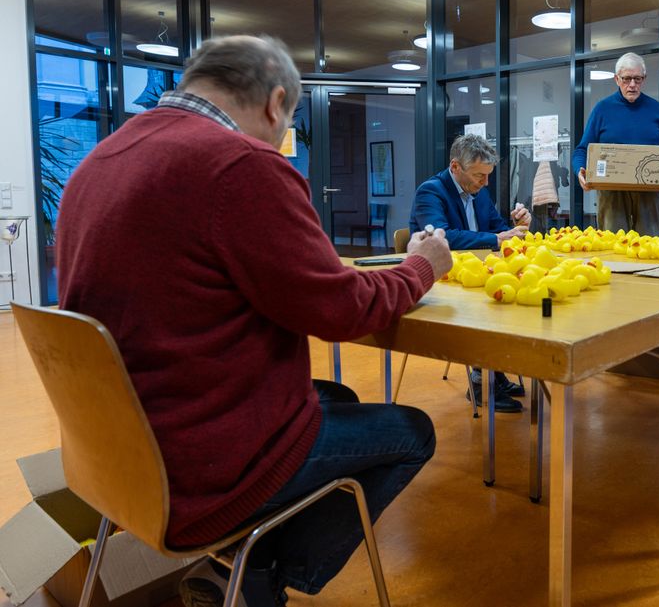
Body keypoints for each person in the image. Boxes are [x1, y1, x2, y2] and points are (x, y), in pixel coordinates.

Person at [55, 35, 454, 607]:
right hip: (204, 467)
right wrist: (421, 266)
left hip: (117, 455)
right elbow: (342, 308)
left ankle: (242, 568)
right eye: (287, 122)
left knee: (336, 393)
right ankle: (255, 578)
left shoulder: (97, 163)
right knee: (413, 432)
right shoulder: (238, 163)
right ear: (274, 104)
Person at [409, 134, 531, 413]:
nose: (485, 182)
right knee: (487, 306)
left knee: (507, 297)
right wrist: (496, 238)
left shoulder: (480, 191)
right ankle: (481, 380)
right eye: (479, 176)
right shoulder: (431, 192)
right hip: (444, 280)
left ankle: (494, 372)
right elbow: (443, 238)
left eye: (488, 176)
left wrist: (517, 224)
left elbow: (497, 228)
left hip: (476, 274)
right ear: (455, 167)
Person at [572, 52, 659, 236]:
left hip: (650, 188)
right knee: (613, 243)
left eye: (637, 79)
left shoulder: (655, 109)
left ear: (644, 79)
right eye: (626, 79)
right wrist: (580, 171)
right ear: (617, 79)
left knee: (650, 245)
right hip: (611, 191)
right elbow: (582, 150)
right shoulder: (602, 109)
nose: (632, 85)